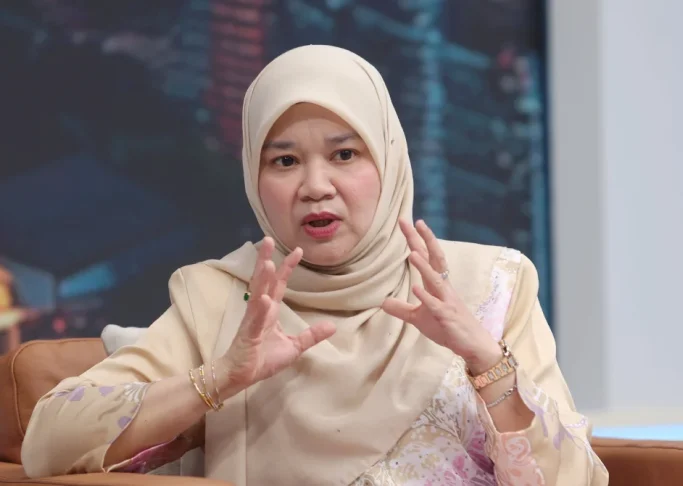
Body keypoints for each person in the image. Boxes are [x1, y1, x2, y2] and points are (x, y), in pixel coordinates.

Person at [21, 45, 609, 485]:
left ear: (389, 161)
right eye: (284, 161)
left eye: (345, 154)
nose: (315, 186)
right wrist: (221, 378)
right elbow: (47, 444)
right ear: (254, 179)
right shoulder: (225, 298)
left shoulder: (491, 285)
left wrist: (484, 360)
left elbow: (576, 480)